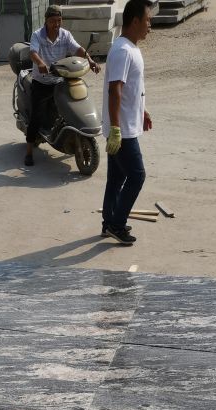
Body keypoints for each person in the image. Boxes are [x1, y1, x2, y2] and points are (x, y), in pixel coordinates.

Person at [100, 0, 154, 245]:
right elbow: (115, 90)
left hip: (125, 125)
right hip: (122, 130)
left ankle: (108, 222)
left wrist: (143, 111)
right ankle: (117, 225)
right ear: (135, 21)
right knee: (137, 175)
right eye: (147, 20)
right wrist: (115, 129)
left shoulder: (130, 48)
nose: (150, 25)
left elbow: (133, 88)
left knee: (116, 178)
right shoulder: (123, 50)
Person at [25, 5, 100, 167]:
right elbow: (33, 52)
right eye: (53, 21)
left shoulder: (65, 35)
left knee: (71, 108)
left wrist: (90, 60)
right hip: (42, 82)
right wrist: (40, 63)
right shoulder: (37, 35)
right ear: (46, 21)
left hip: (60, 80)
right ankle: (29, 151)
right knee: (36, 117)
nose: (56, 24)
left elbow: (77, 48)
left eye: (59, 20)